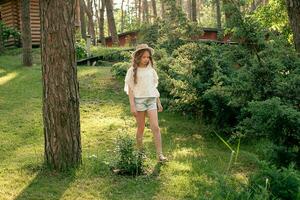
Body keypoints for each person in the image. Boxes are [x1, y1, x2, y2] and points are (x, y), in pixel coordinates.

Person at [124, 44, 168, 163]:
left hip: (151, 100)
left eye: (148, 57)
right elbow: (131, 90)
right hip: (139, 102)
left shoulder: (151, 70)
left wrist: (158, 102)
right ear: (138, 57)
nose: (146, 59)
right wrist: (132, 105)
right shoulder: (132, 71)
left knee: (156, 127)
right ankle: (140, 153)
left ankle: (160, 155)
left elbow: (153, 87)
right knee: (141, 128)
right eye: (144, 57)